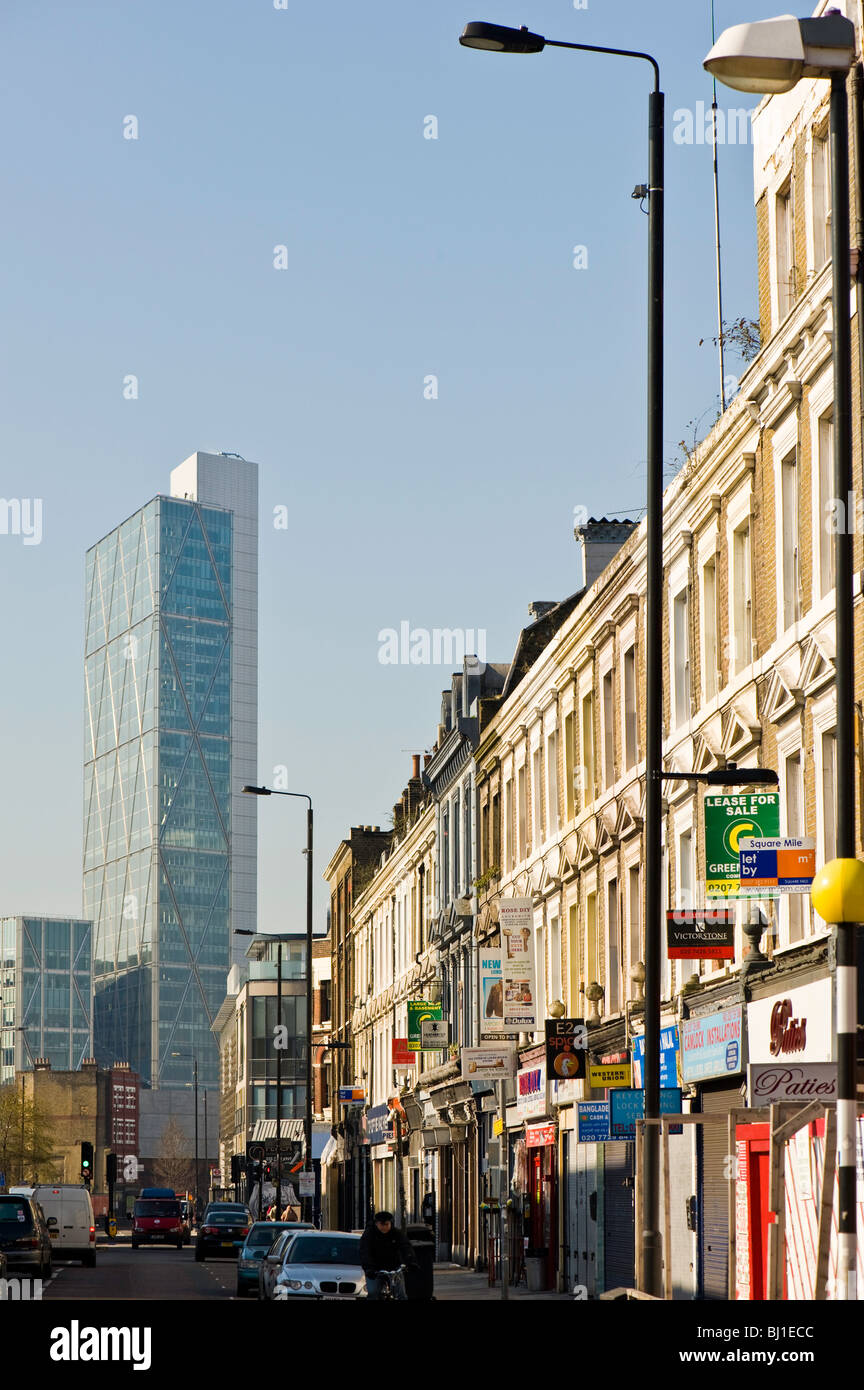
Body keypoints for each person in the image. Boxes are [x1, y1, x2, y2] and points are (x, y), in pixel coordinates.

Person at [359, 1211, 417, 1301]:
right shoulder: (369, 1235)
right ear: (376, 1224)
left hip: (394, 1268)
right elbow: (365, 1252)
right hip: (375, 1270)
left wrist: (410, 1261)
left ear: (391, 1223)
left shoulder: (397, 1234)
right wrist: (369, 1268)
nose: (384, 1227)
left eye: (387, 1224)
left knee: (401, 1294)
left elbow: (406, 1247)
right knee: (373, 1293)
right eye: (382, 1224)